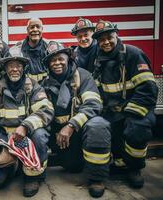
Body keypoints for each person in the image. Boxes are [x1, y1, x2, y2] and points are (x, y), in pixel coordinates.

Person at [0, 46, 54, 197]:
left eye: (18, 65)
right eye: (11, 65)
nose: (15, 69)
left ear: (24, 67)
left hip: (27, 136)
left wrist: (25, 126)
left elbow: (45, 110)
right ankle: (14, 165)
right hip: (4, 137)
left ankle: (33, 176)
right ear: (5, 67)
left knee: (40, 135)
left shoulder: (33, 87)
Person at [92, 20, 158, 189]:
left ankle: (134, 168)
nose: (106, 42)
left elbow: (148, 87)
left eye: (109, 37)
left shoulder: (133, 54)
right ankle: (121, 164)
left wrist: (130, 111)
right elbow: (99, 88)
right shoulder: (99, 59)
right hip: (113, 109)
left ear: (117, 35)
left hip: (137, 107)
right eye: (101, 39)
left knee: (136, 129)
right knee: (107, 129)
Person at [41, 41, 111, 198]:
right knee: (73, 167)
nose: (56, 63)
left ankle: (97, 179)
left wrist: (71, 125)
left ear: (68, 58)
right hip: (62, 137)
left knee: (98, 125)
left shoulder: (83, 76)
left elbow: (93, 105)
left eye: (60, 58)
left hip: (80, 130)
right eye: (52, 60)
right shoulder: (45, 84)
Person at [13, 18, 50, 83]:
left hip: (47, 85)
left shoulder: (49, 47)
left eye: (38, 27)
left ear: (42, 29)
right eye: (32, 27)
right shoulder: (17, 49)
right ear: (27, 30)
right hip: (24, 85)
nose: (35, 29)